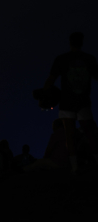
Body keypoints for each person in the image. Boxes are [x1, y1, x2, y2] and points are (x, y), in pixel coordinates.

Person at [43, 32, 98, 173]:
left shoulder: (61, 59)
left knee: (69, 135)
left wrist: (44, 95)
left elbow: (51, 79)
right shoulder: (90, 59)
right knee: (90, 132)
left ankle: (74, 167)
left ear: (70, 42)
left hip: (66, 101)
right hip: (84, 100)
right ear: (82, 42)